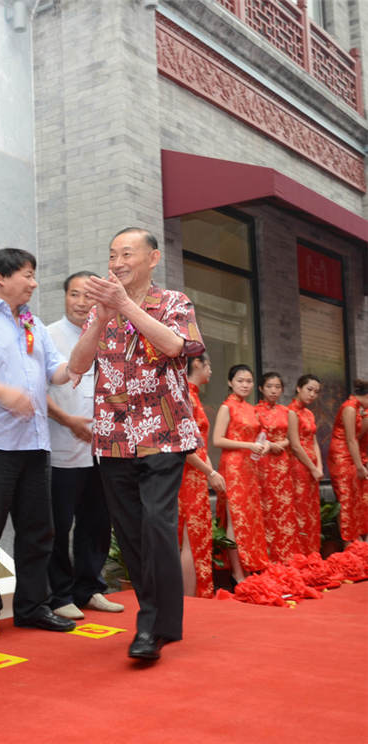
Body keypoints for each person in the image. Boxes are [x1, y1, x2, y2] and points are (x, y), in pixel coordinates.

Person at [69, 227, 205, 662]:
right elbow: (77, 363)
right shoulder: (101, 310)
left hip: (163, 434)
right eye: (112, 254)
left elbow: (175, 347)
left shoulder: (174, 303)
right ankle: (162, 621)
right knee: (129, 533)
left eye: (127, 253)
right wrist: (105, 318)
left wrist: (127, 307)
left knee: (156, 523)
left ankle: (151, 626)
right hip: (112, 437)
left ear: (152, 258)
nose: (117, 261)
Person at [0, 248, 78, 642]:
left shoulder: (34, 325)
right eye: (27, 274)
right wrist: (4, 393)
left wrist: (88, 343)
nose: (34, 282)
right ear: (2, 277)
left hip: (34, 443)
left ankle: (32, 607)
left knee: (39, 531)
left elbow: (58, 373)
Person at [45, 271, 124, 618]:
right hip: (62, 446)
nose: (81, 303)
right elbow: (37, 391)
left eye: (88, 297)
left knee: (96, 523)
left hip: (103, 450)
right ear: (65, 297)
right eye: (74, 295)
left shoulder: (112, 334)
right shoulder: (47, 335)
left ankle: (89, 588)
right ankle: (59, 595)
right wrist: (69, 421)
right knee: (58, 526)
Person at [213, 364, 270, 584]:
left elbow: (259, 436)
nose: (245, 385)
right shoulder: (227, 407)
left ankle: (249, 566)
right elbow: (218, 440)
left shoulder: (251, 408)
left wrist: (263, 445)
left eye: (248, 381)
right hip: (233, 466)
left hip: (250, 467)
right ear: (230, 382)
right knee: (235, 519)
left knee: (250, 518)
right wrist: (248, 445)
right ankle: (237, 573)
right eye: (240, 381)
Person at [177, 353, 225, 598]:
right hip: (188, 474)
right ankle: (189, 596)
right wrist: (210, 471)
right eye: (209, 365)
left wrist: (210, 472)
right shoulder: (186, 395)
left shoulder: (192, 395)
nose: (211, 371)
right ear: (197, 364)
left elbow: (200, 445)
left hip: (195, 474)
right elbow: (184, 447)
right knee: (189, 536)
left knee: (194, 536)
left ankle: (193, 593)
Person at [255, 372, 298, 562]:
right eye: (269, 386)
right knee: (267, 509)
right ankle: (269, 558)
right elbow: (251, 438)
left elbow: (292, 439)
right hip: (262, 464)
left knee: (285, 508)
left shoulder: (286, 411)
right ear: (261, 389)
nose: (273, 390)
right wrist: (270, 445)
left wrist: (282, 444)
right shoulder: (254, 411)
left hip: (282, 464)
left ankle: (287, 557)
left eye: (277, 387)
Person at [328, 379, 368, 543]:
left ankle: (358, 540)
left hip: (353, 454)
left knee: (358, 498)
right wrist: (359, 466)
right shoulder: (350, 408)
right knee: (346, 499)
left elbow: (359, 436)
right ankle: (348, 543)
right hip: (342, 456)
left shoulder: (359, 408)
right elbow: (351, 439)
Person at [288, 374, 324, 555]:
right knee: (300, 511)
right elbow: (295, 445)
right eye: (309, 389)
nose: (312, 395)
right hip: (299, 467)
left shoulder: (309, 413)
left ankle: (313, 553)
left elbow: (314, 441)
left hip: (313, 469)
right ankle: (301, 556)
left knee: (312, 512)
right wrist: (311, 467)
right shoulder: (291, 412)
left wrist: (320, 468)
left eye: (316, 392)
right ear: (298, 388)